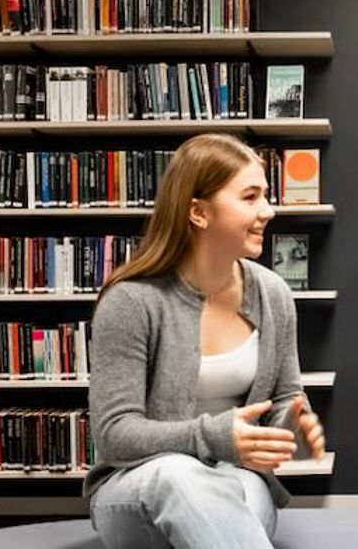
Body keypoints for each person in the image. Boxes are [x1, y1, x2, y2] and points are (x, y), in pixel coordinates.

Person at [84, 133, 326, 549]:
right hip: (139, 486)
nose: (268, 211)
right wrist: (216, 437)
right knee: (178, 474)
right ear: (198, 212)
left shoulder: (273, 294)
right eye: (250, 197)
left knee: (242, 494)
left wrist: (293, 427)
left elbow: (287, 394)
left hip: (236, 478)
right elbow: (115, 434)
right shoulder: (131, 301)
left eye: (266, 196)